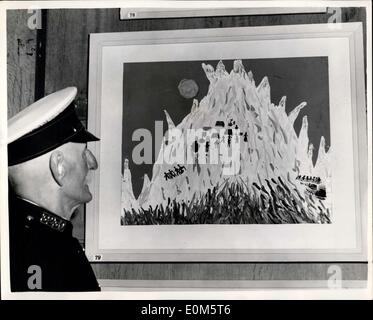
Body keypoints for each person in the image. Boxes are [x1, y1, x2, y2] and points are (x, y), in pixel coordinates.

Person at [7, 87, 101, 291]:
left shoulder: (44, 239)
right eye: (84, 153)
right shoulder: (36, 249)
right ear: (59, 167)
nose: (93, 163)